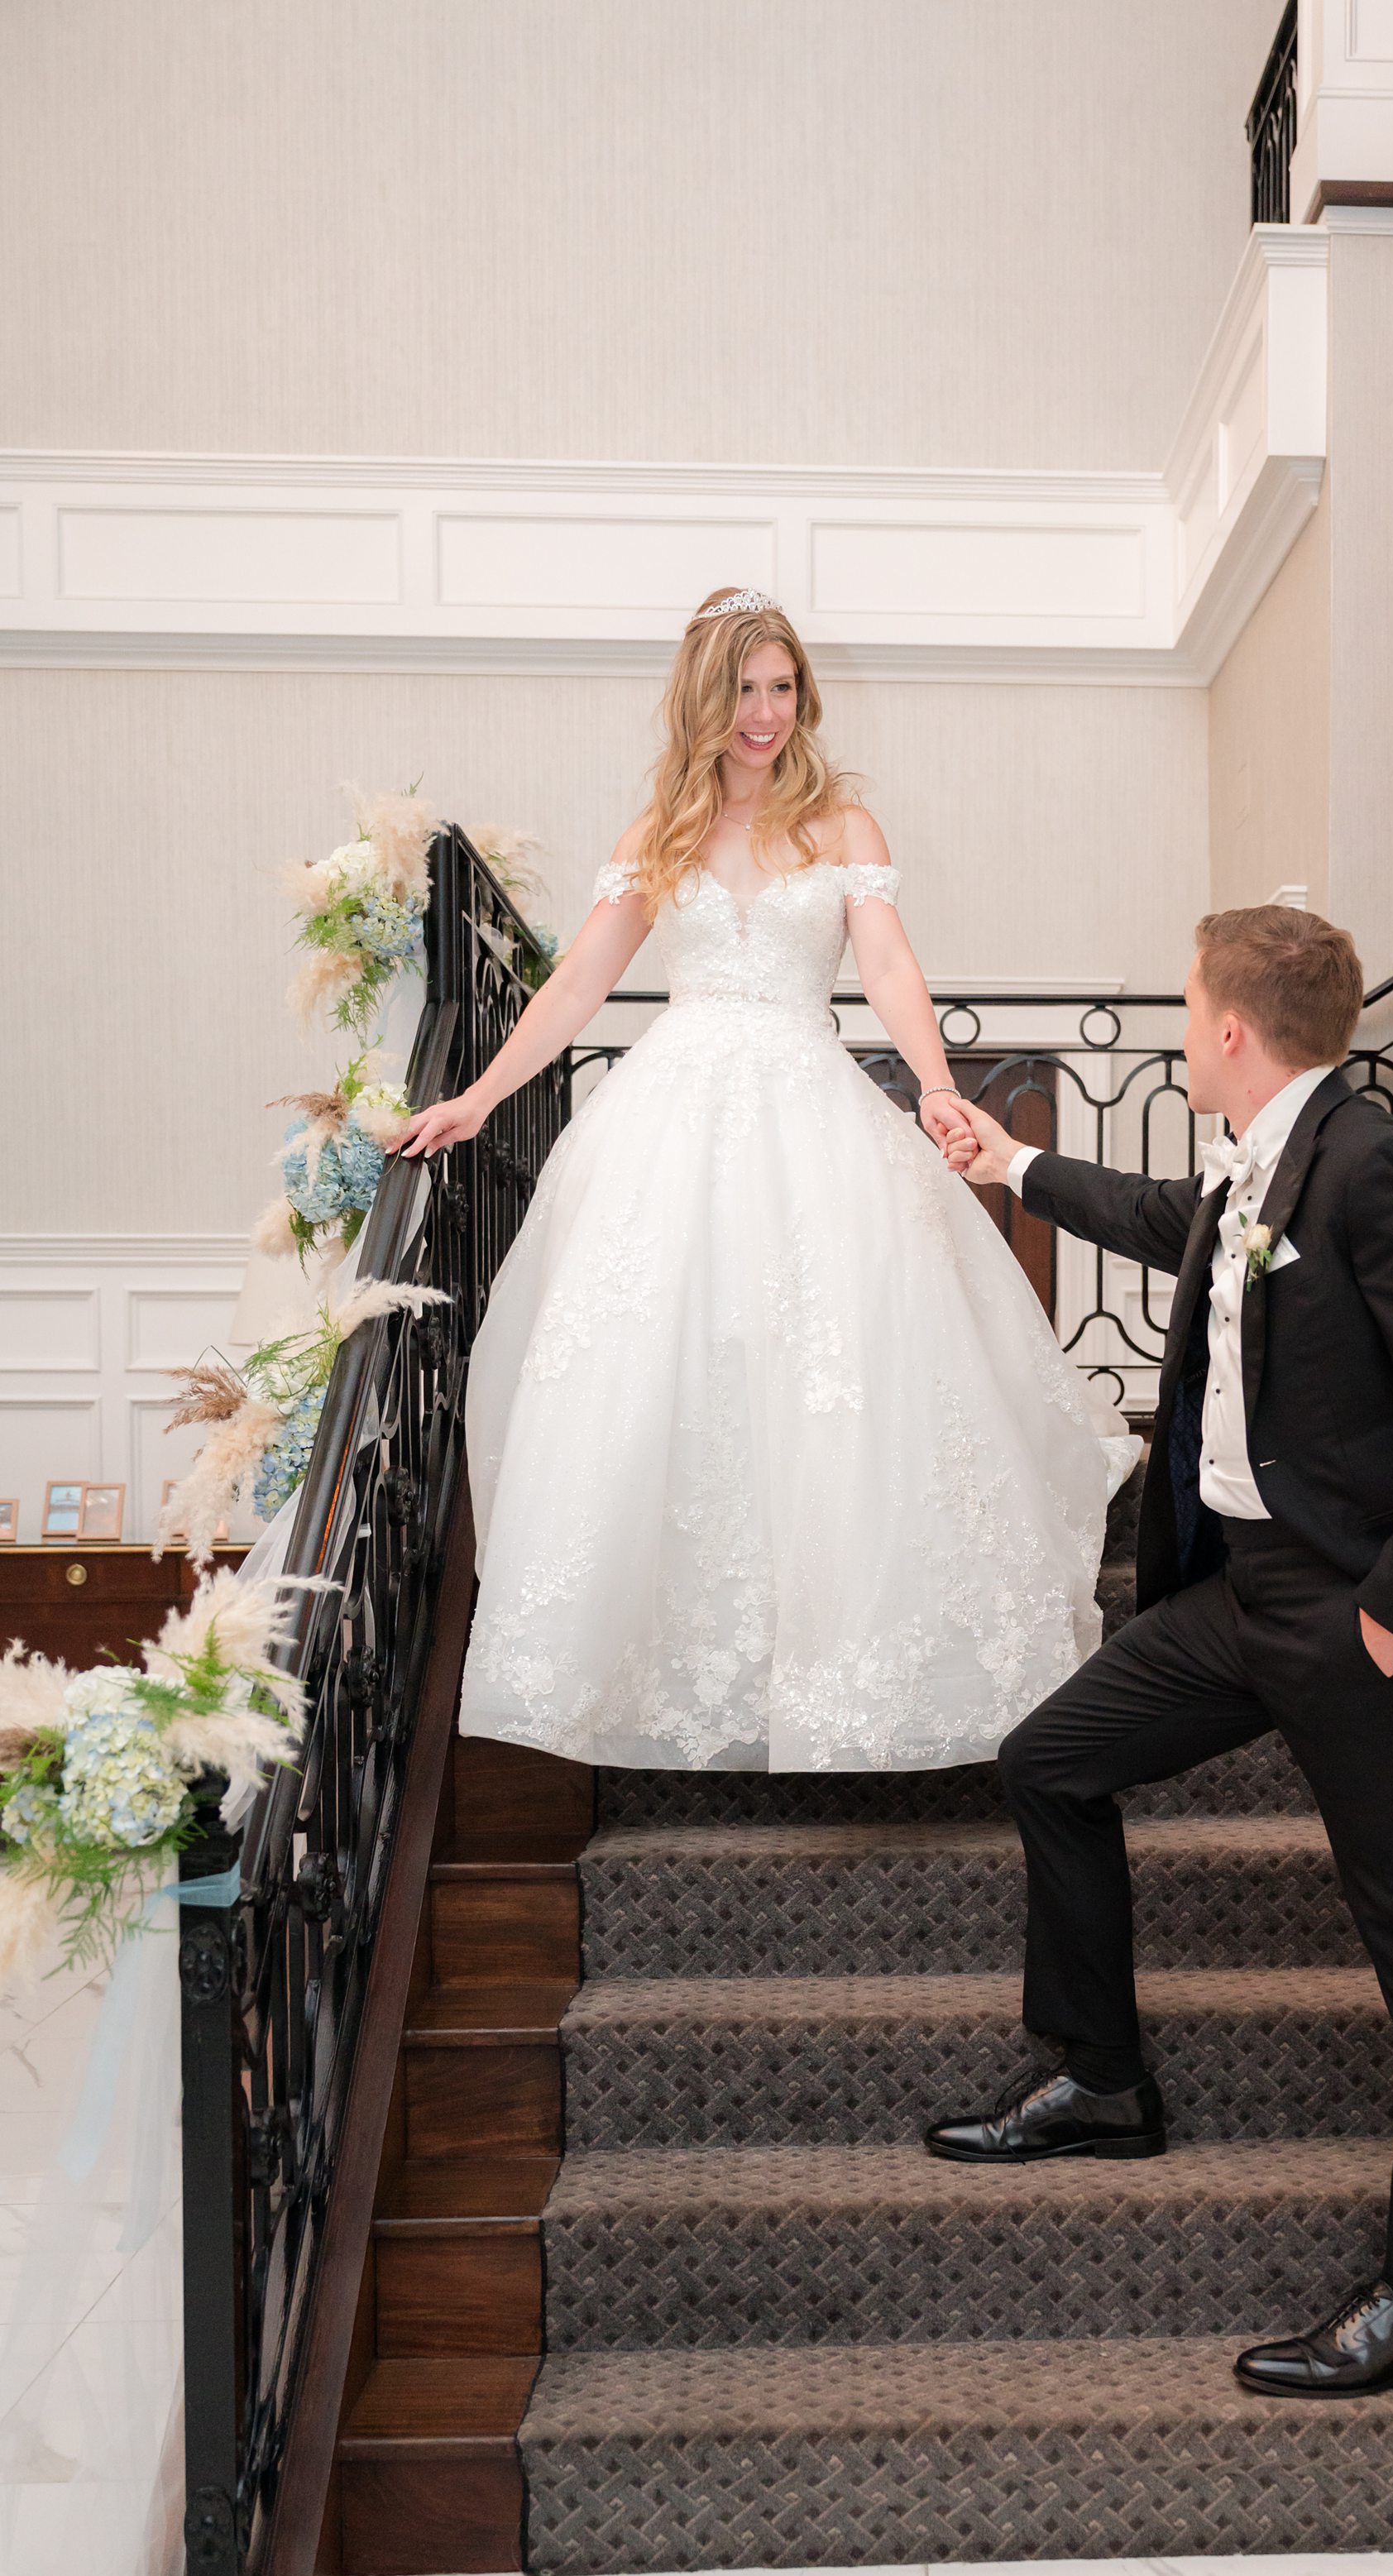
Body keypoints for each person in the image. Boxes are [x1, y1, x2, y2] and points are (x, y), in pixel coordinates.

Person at [923, 903, 1393, 2400]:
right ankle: (1102, 2078)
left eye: (1188, 1004)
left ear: (1229, 1029)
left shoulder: (1373, 1166)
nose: (1182, 1024)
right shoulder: (1259, 1162)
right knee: (1052, 1762)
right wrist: (1010, 1164)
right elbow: (1171, 1225)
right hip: (1237, 1598)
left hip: (1352, 1615)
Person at [398, 586, 1134, 1769]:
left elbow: (886, 967)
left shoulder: (844, 826)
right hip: (670, 1113)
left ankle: (846, 1661)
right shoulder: (659, 832)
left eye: (783, 687)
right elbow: (579, 982)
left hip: (808, 1103)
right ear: (705, 697)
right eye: (744, 689)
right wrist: (479, 1098)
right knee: (656, 1356)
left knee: (831, 1364)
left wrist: (934, 1084)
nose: (765, 712)